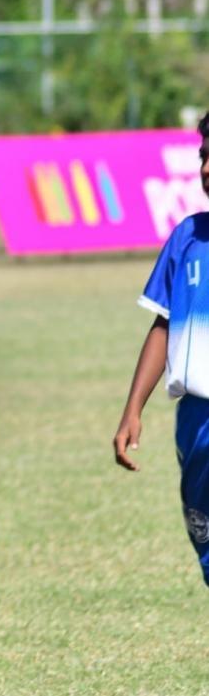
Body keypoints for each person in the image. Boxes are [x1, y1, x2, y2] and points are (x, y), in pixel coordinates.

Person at [114, 110, 209, 588]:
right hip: (194, 419)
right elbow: (163, 325)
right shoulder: (187, 239)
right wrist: (133, 408)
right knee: (206, 541)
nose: (208, 168)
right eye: (204, 157)